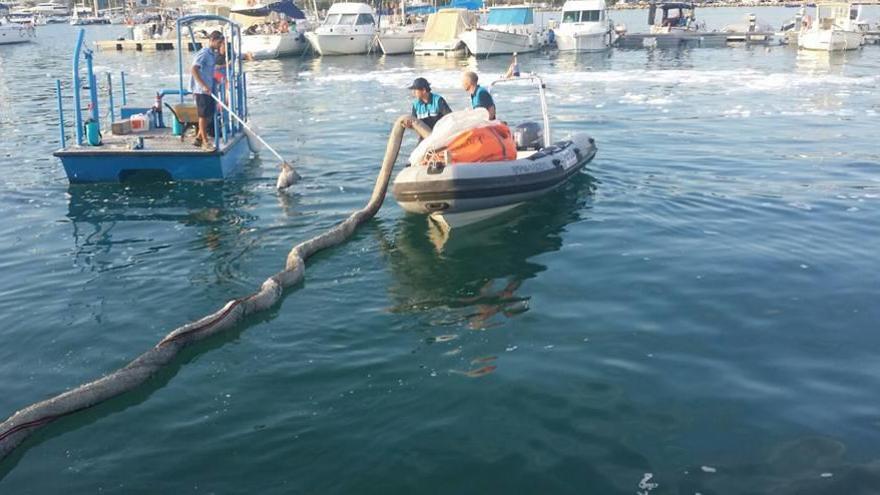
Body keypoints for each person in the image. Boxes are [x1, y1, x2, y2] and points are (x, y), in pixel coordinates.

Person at [190, 30, 224, 151]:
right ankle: (205, 142)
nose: (220, 45)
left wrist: (219, 77)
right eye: (219, 42)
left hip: (210, 88)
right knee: (203, 116)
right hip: (202, 90)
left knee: (210, 114)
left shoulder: (212, 55)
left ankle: (199, 138)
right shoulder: (204, 53)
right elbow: (194, 69)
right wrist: (203, 85)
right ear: (212, 40)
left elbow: (212, 69)